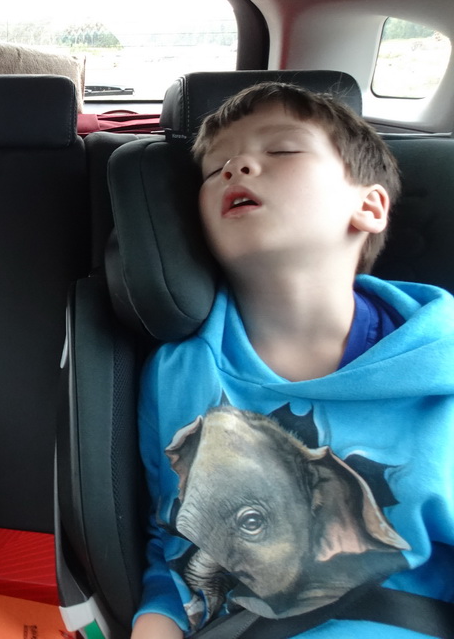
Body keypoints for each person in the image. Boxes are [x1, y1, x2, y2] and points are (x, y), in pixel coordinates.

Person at [132, 83, 454, 638]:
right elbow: (177, 543)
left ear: (369, 206)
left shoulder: (441, 363)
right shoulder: (176, 374)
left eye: (281, 150)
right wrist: (155, 621)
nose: (238, 167)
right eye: (216, 168)